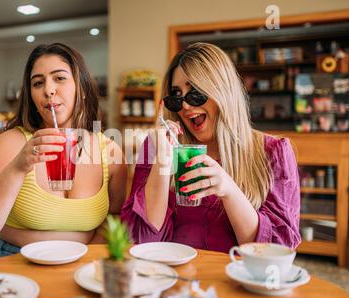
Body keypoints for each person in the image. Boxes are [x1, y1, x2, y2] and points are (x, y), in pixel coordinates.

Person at [121, 42, 300, 253]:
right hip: (172, 277)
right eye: (176, 96)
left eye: (195, 92)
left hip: (234, 281)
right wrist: (162, 164)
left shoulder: (273, 152)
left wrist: (229, 191)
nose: (186, 106)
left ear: (223, 92)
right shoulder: (157, 147)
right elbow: (140, 241)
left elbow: (275, 250)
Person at [0, 43, 127, 260]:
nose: (48, 89)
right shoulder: (11, 143)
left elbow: (114, 218)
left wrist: (82, 259)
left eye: (59, 78)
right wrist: (18, 167)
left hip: (82, 261)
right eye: (38, 83)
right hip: (12, 261)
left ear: (83, 89)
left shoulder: (110, 151)